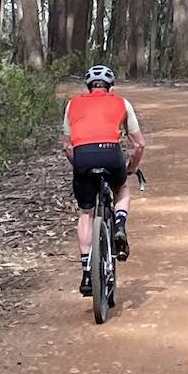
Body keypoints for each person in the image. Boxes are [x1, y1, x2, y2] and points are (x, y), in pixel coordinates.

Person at [63, 63, 144, 294]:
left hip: (83, 159)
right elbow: (139, 144)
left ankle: (87, 272)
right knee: (121, 189)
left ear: (88, 86)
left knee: (86, 213)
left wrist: (79, 167)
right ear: (111, 86)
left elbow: (67, 147)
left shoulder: (72, 104)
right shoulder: (122, 103)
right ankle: (119, 225)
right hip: (111, 154)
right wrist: (131, 167)